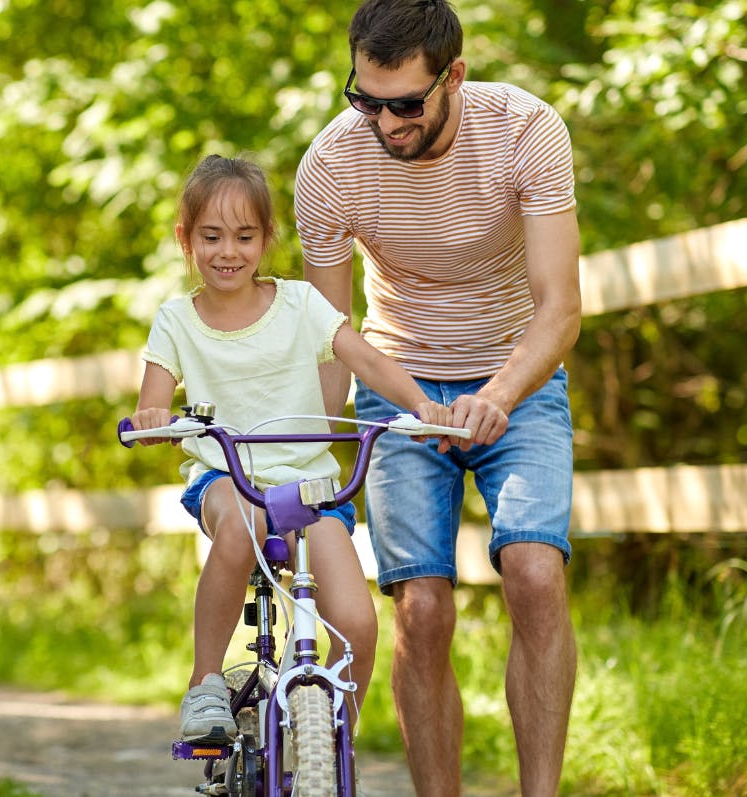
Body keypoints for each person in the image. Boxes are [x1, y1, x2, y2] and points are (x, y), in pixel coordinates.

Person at [294, 1, 581, 794]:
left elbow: (559, 307)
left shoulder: (524, 129)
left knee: (532, 571)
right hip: (397, 392)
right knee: (420, 609)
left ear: (453, 74)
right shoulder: (329, 167)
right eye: (365, 99)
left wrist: (495, 395)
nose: (383, 122)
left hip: (515, 380)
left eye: (406, 103)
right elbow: (332, 334)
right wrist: (323, 462)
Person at [131, 153, 455, 744]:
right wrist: (153, 418)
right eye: (211, 236)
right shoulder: (176, 320)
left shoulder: (301, 304)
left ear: (266, 239)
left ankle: (329, 748)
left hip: (312, 488)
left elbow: (368, 360)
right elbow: (152, 402)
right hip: (229, 479)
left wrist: (422, 405)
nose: (228, 251)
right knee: (242, 523)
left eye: (245, 236)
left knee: (357, 623)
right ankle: (206, 683)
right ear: (186, 239)